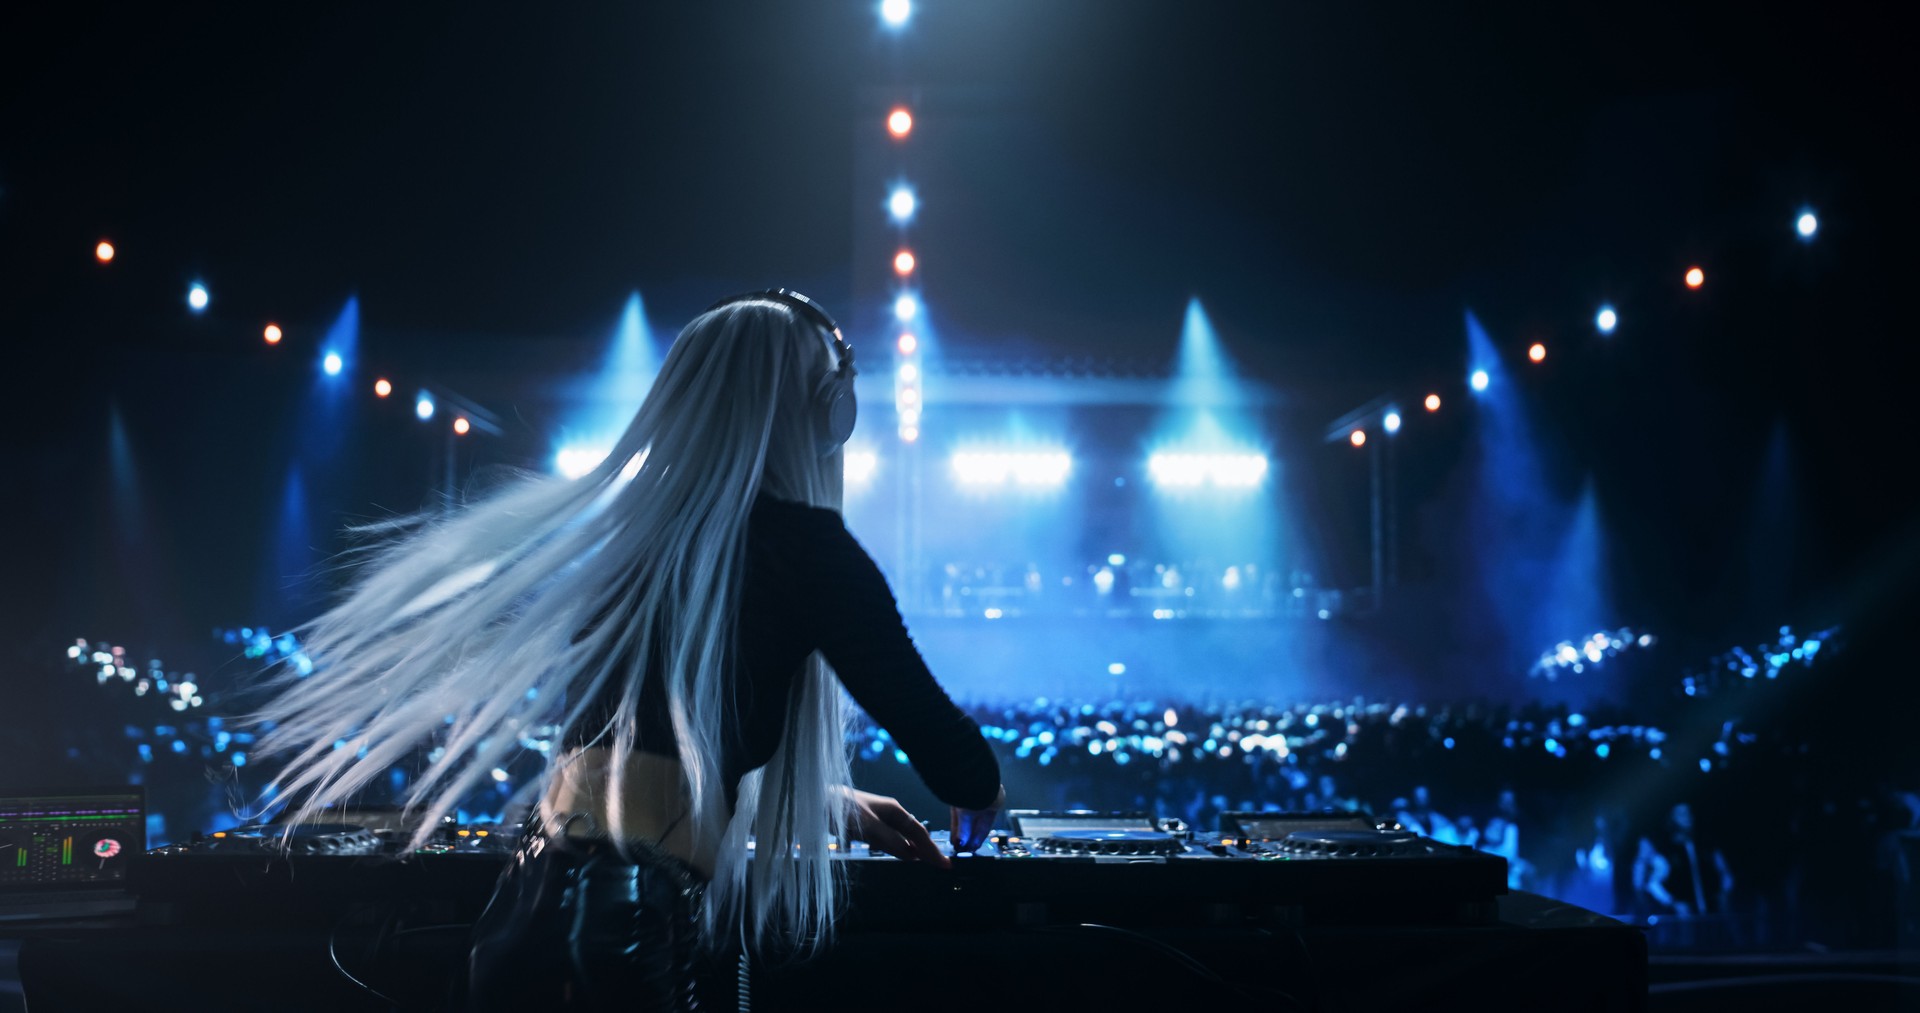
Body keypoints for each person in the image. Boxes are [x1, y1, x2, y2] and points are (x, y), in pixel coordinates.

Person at [247, 290, 1005, 1010]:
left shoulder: (637, 541)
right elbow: (961, 768)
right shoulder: (810, 551)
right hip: (617, 939)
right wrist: (980, 806)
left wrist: (822, 803)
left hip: (533, 913)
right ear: (829, 412)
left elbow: (642, 761)